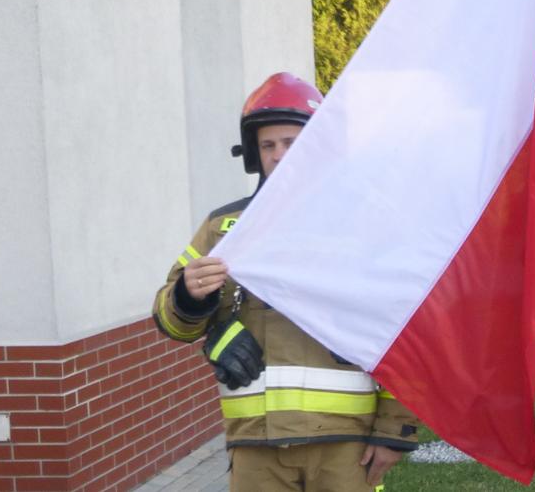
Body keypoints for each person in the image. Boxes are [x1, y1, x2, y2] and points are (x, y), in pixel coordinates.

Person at [152, 72, 417, 491]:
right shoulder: (223, 230)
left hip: (345, 443)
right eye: (268, 145)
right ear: (255, 155)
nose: (278, 155)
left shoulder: (365, 227)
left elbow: (402, 328)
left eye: (292, 143)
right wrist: (189, 296)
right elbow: (171, 320)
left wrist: (395, 430)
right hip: (257, 444)